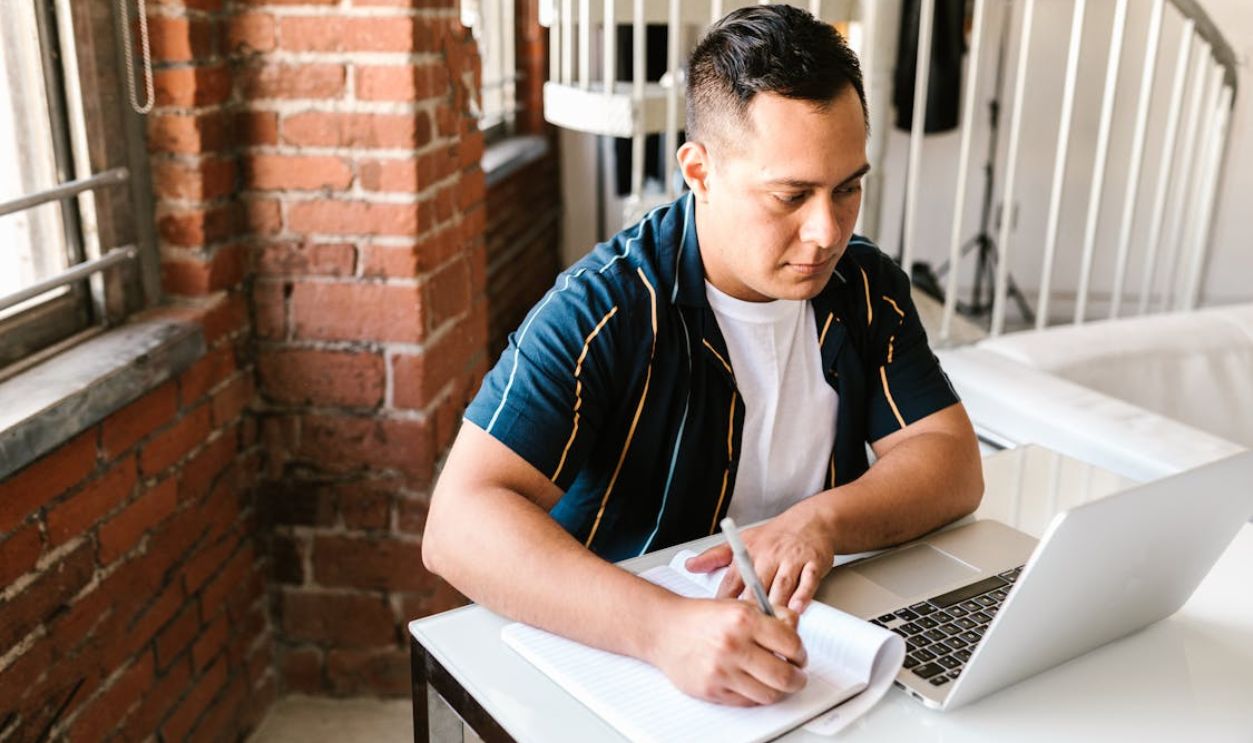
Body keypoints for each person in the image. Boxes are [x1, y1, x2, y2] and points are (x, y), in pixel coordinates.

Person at [423, 4, 983, 708]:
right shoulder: (607, 306)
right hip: (626, 668)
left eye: (847, 188)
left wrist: (822, 519)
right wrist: (662, 630)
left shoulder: (863, 285)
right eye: (790, 195)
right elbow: (456, 525)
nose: (826, 230)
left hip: (815, 653)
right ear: (699, 170)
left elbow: (950, 457)